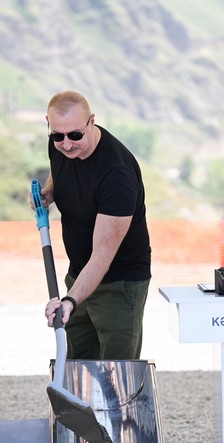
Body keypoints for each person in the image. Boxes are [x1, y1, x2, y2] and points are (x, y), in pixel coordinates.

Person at [37, 90, 151, 360]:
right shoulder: (62, 144)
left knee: (117, 372)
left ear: (92, 121)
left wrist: (70, 301)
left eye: (75, 135)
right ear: (49, 125)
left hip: (119, 284)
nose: (67, 145)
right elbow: (60, 168)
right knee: (77, 366)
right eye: (58, 136)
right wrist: (50, 192)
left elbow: (102, 256)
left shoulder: (117, 175)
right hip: (78, 275)